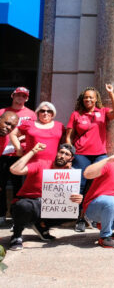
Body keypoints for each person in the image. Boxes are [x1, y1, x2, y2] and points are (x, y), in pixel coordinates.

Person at [65, 84, 114, 232]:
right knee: (81, 186)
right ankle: (80, 218)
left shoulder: (102, 112)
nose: (88, 99)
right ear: (82, 100)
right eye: (86, 97)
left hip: (99, 155)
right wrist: (69, 153)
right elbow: (69, 136)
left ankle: (93, 216)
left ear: (96, 99)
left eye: (91, 97)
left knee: (97, 185)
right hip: (81, 154)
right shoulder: (76, 114)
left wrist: (111, 93)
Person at [8, 143, 81, 250]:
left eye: (67, 154)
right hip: (28, 203)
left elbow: (69, 197)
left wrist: (78, 198)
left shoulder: (70, 173)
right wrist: (33, 151)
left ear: (71, 158)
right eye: (61, 152)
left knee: (75, 210)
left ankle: (41, 225)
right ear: (56, 153)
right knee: (23, 206)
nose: (62, 156)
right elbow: (14, 170)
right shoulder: (41, 164)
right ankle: (17, 235)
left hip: (48, 206)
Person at [0, 87, 36, 224]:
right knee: (1, 186)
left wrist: (20, 140)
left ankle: (17, 217)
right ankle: (1, 215)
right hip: (2, 153)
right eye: (18, 95)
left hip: (20, 155)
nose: (20, 98)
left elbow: (33, 133)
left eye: (23, 96)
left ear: (27, 99)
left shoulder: (31, 114)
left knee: (19, 188)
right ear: (12, 96)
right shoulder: (2, 112)